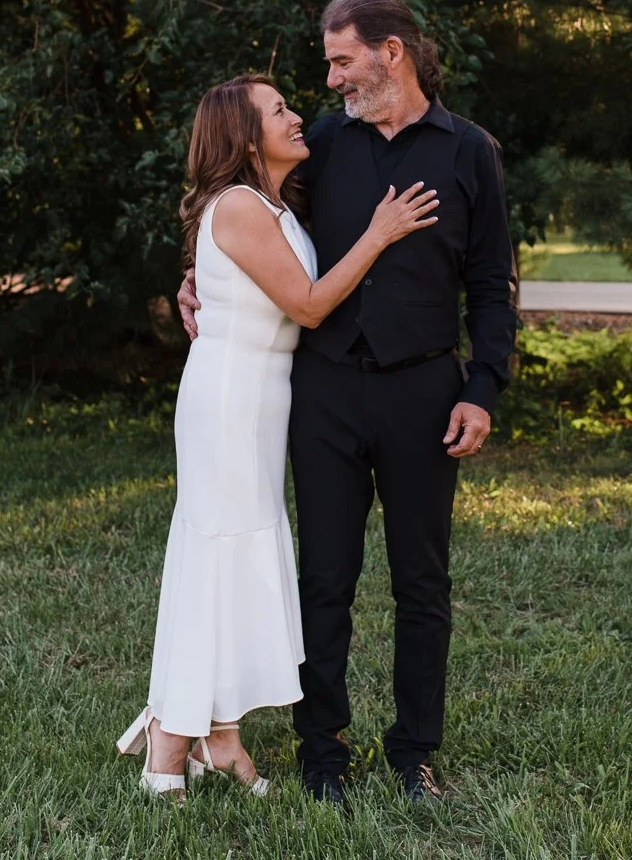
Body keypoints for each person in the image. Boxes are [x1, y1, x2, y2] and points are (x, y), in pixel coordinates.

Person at [178, 0, 519, 806]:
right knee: (324, 577)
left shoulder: (470, 151)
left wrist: (482, 387)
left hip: (425, 391)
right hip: (324, 389)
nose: (330, 80)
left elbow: (491, 284)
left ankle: (414, 752)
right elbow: (250, 219)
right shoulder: (323, 146)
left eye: (341, 61)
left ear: (390, 51)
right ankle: (322, 751)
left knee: (421, 581)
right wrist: (196, 277)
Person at [118, 72, 440, 802]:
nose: (297, 116)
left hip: (263, 399)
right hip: (230, 398)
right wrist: (381, 233)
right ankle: (168, 741)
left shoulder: (269, 201)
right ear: (243, 136)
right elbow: (310, 304)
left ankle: (221, 734)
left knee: (236, 558)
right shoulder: (238, 205)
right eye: (279, 110)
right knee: (213, 558)